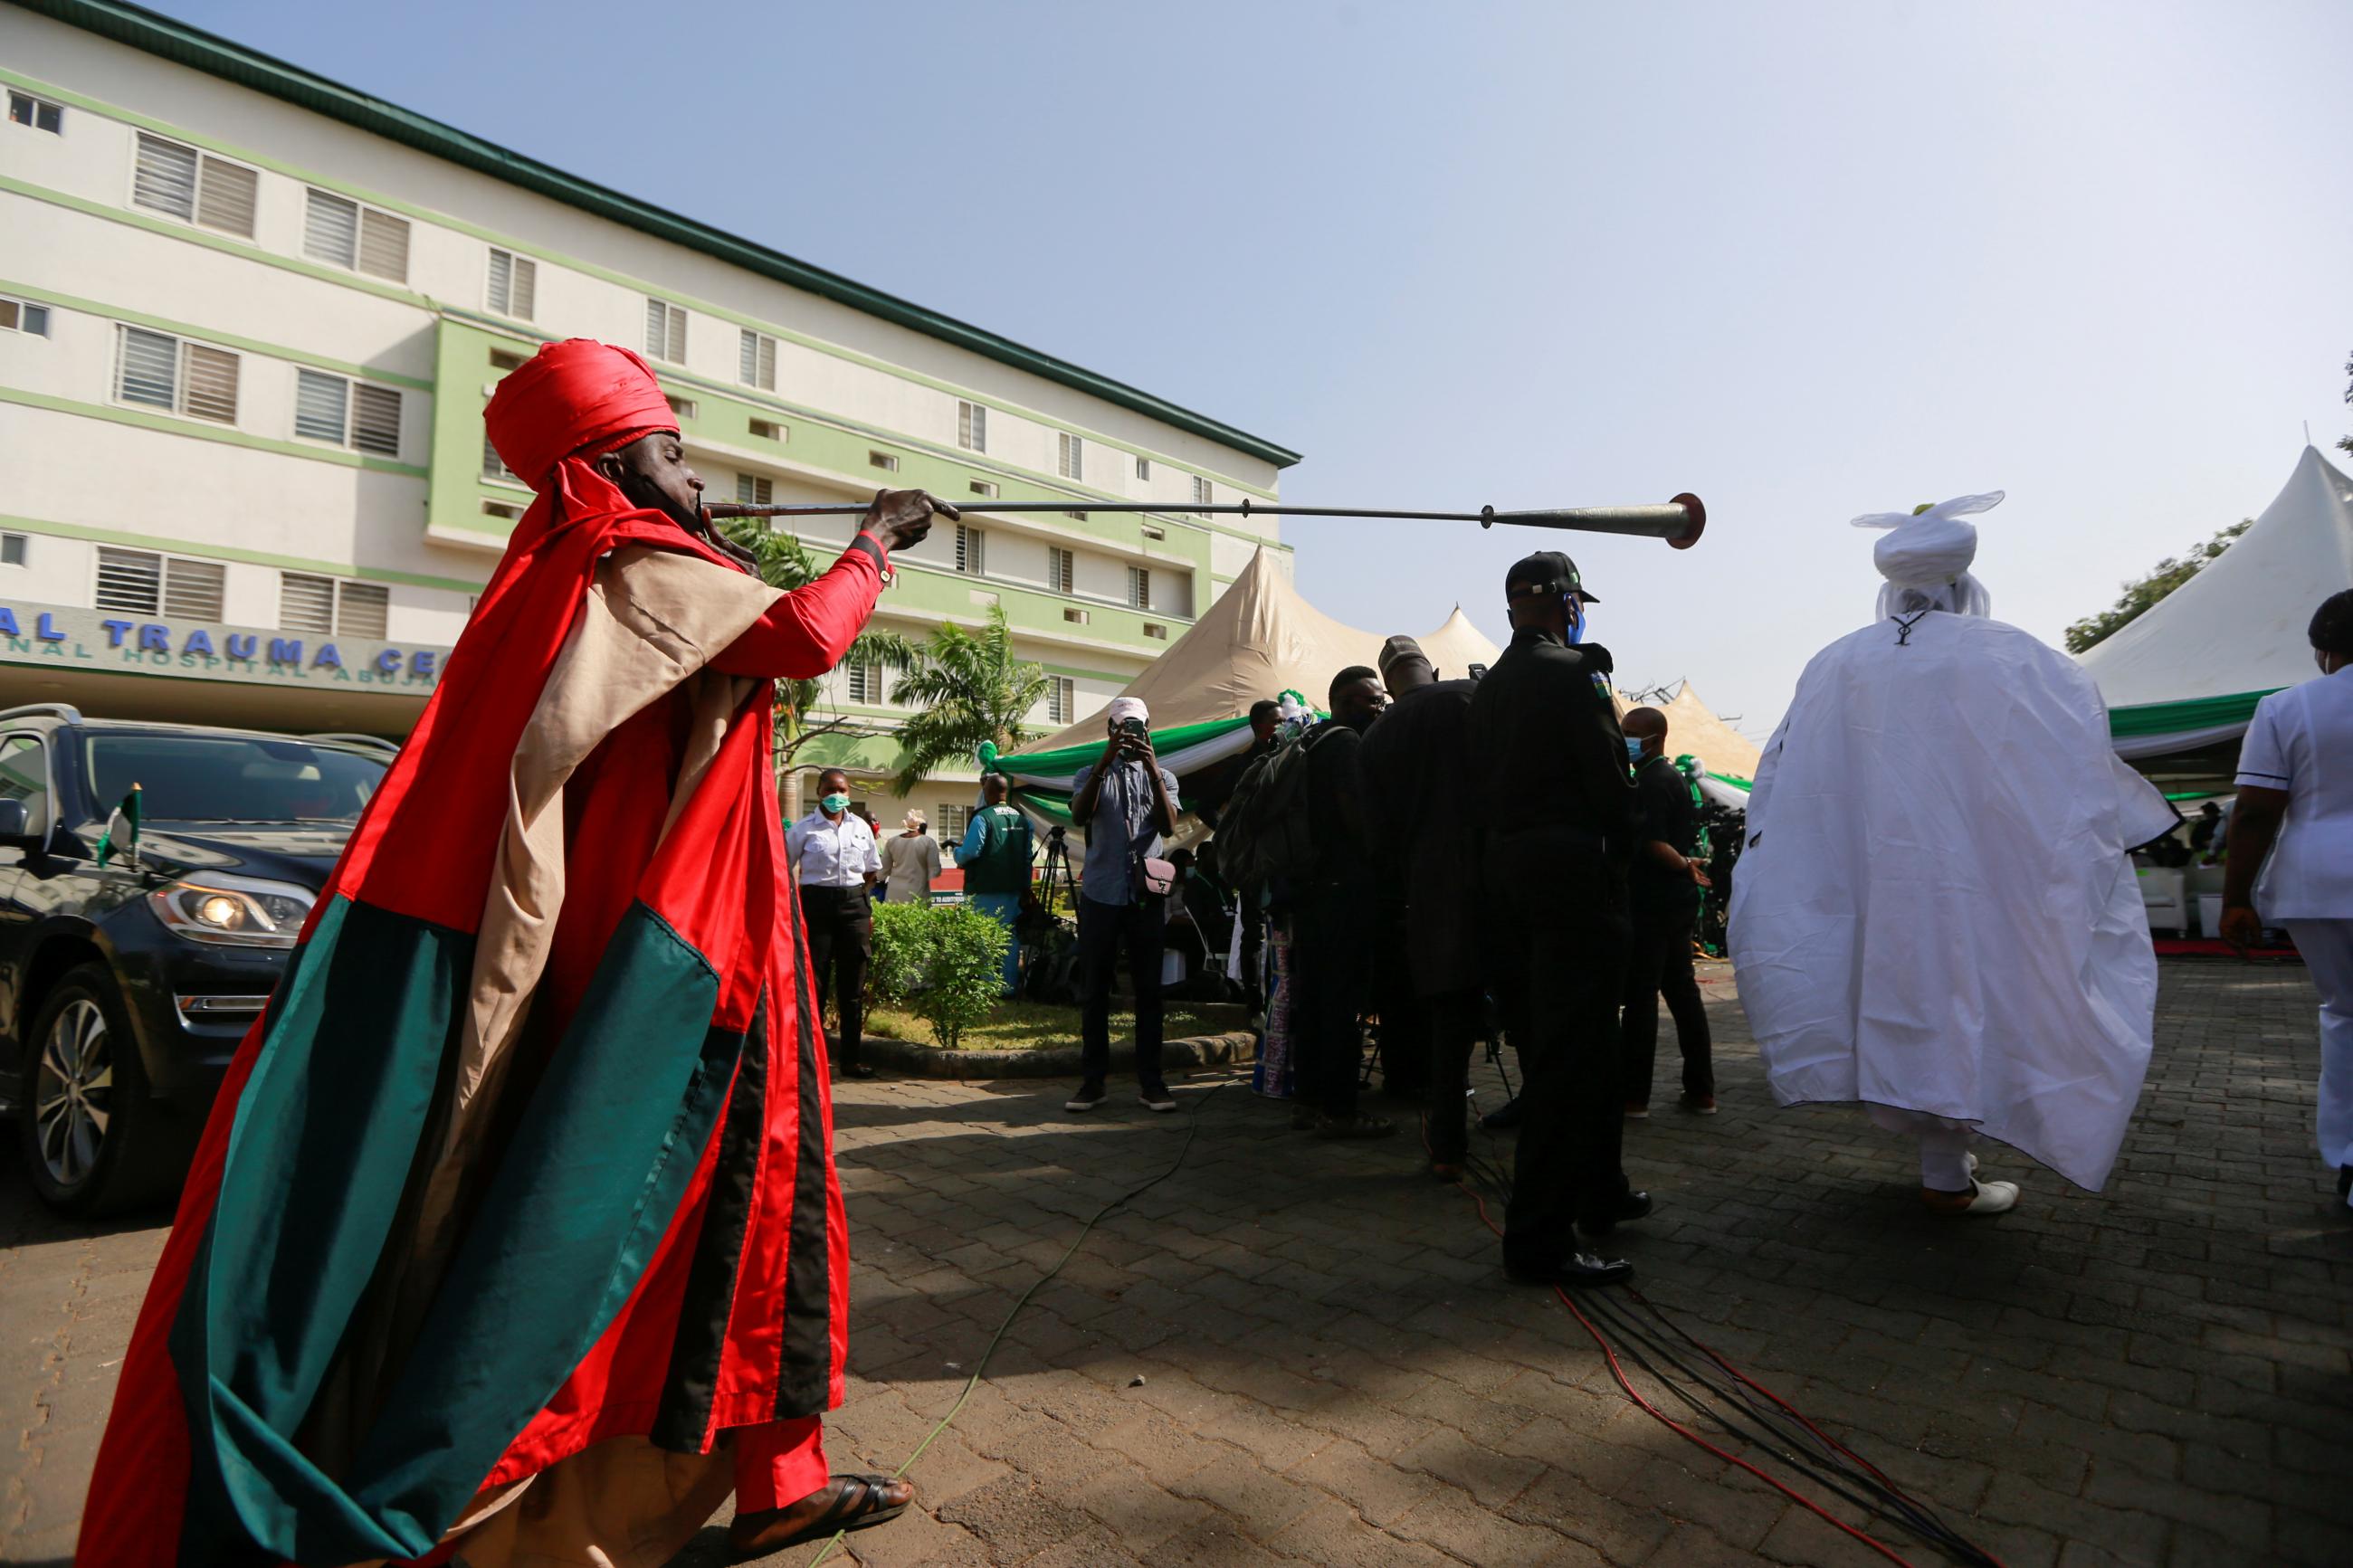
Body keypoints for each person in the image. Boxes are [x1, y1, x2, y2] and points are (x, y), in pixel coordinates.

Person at [77, 339, 951, 1568]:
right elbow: (805, 634)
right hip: (685, 971)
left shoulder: (575, 572)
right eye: (673, 453)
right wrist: (878, 538)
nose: (698, 484)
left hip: (704, 948)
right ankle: (645, 1490)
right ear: (608, 461)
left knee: (750, 1218)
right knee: (713, 1213)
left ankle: (775, 1479)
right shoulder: (628, 559)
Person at [1729, 491, 2177, 1216]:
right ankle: (1946, 1169)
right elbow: (2074, 770)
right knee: (1967, 994)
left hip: (1870, 882)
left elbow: (1780, 779)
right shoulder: (2020, 658)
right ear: (1966, 586)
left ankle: (1945, 1166)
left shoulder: (1833, 664)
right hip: (1978, 883)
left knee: (1901, 991)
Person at [1468, 553, 1642, 1287]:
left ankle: (1600, 1191)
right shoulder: (1575, 674)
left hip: (1509, 881)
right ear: (1567, 604)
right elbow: (1610, 785)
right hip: (1573, 884)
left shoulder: (1487, 688)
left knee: (1566, 1051)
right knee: (1574, 1060)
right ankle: (1540, 1238)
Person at [2220, 589, 2353, 1206]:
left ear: (2324, 651)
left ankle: (2352, 1159)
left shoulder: (2285, 707)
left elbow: (2253, 812)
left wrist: (2236, 898)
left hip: (2318, 884)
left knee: (2346, 1014)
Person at [1358, 635, 1484, 1174]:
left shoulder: (1374, 738)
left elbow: (1377, 840)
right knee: (1529, 1015)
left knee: (1449, 1030)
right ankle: (1551, 1146)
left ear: (1387, 683)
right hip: (1501, 876)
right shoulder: (1472, 698)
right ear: (1431, 667)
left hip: (1432, 894)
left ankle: (1449, 1152)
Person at [1286, 667, 1396, 1138]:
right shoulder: (1346, 743)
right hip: (1342, 891)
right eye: (1373, 701)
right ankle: (1342, 1110)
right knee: (1345, 1003)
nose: (1379, 708)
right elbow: (1356, 820)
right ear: (1347, 702)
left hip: (1309, 891)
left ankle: (1309, 1102)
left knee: (1312, 999)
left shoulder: (1310, 741)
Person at [1065, 697, 1183, 1113]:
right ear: (1109, 730)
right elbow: (1080, 815)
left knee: (1149, 992)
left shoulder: (1165, 776)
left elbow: (1169, 826)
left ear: (1149, 729)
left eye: (1138, 728)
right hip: (1101, 894)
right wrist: (1104, 761)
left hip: (1146, 898)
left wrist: (1151, 767)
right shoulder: (1088, 774)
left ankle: (1152, 1083)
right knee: (1095, 991)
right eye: (1122, 728)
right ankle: (1092, 1083)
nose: (1131, 736)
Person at [1619, 707, 1717, 1117]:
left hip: (1653, 903)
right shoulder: (1670, 778)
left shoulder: (1652, 782)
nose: (1626, 739)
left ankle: (1634, 1098)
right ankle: (1701, 1092)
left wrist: (1684, 866)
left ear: (1656, 738)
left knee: (1641, 999)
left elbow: (1653, 844)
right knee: (1683, 994)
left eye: (1632, 734)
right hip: (1674, 904)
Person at [789, 767, 883, 1079]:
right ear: (818, 793)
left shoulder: (861, 827)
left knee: (852, 987)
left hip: (854, 907)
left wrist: (856, 900)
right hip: (816, 908)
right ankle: (811, 1062)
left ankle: (851, 1061)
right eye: (830, 790)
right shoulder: (804, 829)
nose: (837, 796)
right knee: (814, 985)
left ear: (849, 793)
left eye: (842, 790)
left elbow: (871, 870)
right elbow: (784, 868)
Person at [958, 774, 1036, 997]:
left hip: (985, 888)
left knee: (985, 937)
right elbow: (1027, 857)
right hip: (1014, 890)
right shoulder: (1023, 820)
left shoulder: (983, 818)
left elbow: (970, 852)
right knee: (1009, 938)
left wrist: (956, 853)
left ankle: (988, 986)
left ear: (988, 793)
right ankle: (1009, 986)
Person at [880, 809, 942, 905]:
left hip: (894, 893)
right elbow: (935, 871)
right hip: (917, 894)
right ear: (923, 826)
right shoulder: (929, 842)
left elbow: (883, 871)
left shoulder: (892, 841)